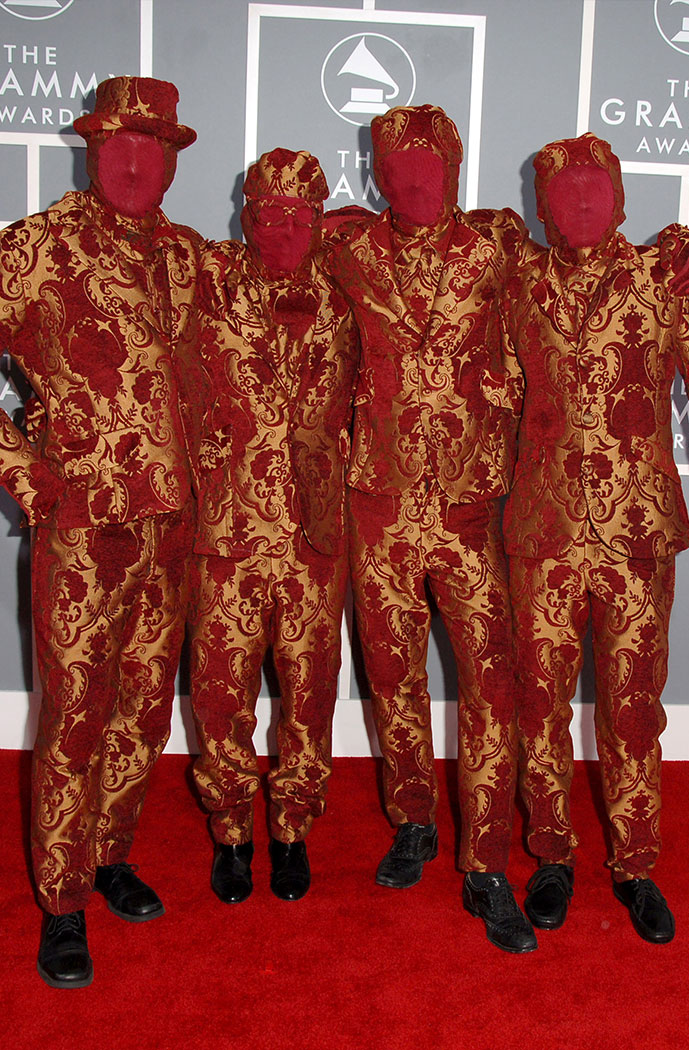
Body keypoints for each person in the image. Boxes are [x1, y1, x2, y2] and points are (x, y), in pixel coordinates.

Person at [0, 76, 200, 987]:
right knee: (75, 715)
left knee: (144, 711)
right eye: (117, 145)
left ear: (169, 161)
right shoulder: (36, 248)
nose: (133, 162)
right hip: (82, 526)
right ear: (90, 151)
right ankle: (63, 900)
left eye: (151, 147)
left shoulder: (187, 258)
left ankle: (111, 851)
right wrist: (21, 473)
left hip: (174, 528)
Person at [328, 104, 538, 953]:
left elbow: (543, 341)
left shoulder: (499, 246)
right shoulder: (346, 250)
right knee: (392, 677)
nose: (417, 184)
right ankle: (412, 818)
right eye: (400, 170)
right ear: (378, 175)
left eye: (433, 170)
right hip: (377, 505)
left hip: (469, 507)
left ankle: (487, 866)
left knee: (493, 687)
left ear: (456, 170)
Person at [502, 131, 689, 943]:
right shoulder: (513, 284)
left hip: (635, 533)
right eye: (564, 195)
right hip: (542, 531)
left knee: (632, 706)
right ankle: (551, 854)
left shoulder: (666, 278)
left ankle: (637, 862)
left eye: (595, 190)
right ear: (541, 208)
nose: (581, 205)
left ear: (619, 199)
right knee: (538, 704)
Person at [188, 149, 358, 903]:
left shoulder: (353, 288)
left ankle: (292, 826)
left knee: (310, 689)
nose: (285, 230)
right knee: (220, 689)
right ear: (244, 218)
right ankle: (231, 831)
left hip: (316, 534)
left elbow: (469, 238)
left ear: (321, 223)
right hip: (227, 531)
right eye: (270, 216)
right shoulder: (205, 279)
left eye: (302, 216)